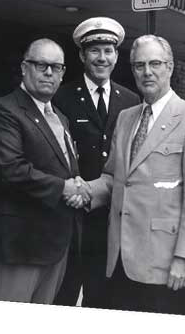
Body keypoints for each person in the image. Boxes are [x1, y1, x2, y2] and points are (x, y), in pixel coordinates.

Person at [84, 35, 185, 314]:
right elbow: (114, 179)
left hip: (165, 264)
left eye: (155, 63)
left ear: (169, 67)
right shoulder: (126, 117)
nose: (147, 72)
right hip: (119, 258)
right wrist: (78, 191)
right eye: (139, 65)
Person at [0, 38, 85, 304]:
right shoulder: (3, 111)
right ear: (25, 68)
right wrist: (64, 188)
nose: (49, 73)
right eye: (41, 65)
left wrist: (76, 184)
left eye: (56, 67)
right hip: (20, 247)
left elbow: (64, 169)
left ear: (62, 74)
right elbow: (10, 169)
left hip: (56, 245)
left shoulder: (60, 117)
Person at [53, 17, 141, 307]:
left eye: (108, 51)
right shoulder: (61, 97)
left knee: (102, 302)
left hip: (108, 224)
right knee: (61, 298)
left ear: (116, 56)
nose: (102, 58)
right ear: (82, 55)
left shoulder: (130, 101)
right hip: (70, 219)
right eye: (95, 51)